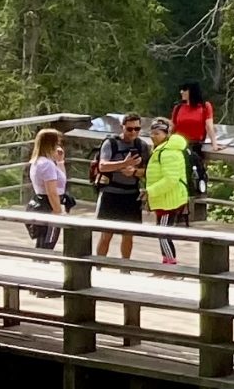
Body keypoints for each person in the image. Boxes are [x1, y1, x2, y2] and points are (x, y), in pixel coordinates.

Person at [91, 114, 149, 261]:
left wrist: (135, 172)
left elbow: (148, 171)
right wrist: (124, 164)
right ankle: (99, 265)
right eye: (130, 129)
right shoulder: (111, 143)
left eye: (137, 129)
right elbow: (102, 166)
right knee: (106, 234)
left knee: (128, 235)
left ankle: (125, 267)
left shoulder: (141, 146)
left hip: (131, 194)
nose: (133, 132)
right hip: (111, 193)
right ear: (122, 127)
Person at [144, 117, 194, 267]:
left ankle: (170, 261)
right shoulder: (162, 150)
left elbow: (171, 179)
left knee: (162, 232)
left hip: (169, 200)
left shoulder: (168, 152)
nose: (153, 136)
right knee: (163, 231)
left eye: (157, 133)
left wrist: (150, 191)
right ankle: (166, 259)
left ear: (166, 134)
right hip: (164, 198)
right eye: (152, 133)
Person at [169, 81, 213, 213]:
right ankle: (177, 208)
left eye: (184, 90)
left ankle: (190, 209)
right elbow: (173, 127)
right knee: (177, 177)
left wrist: (214, 143)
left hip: (195, 145)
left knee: (194, 176)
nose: (181, 93)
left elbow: (209, 125)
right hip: (177, 146)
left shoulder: (205, 107)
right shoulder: (178, 108)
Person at [26, 127, 68, 249]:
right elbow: (52, 192)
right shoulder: (46, 165)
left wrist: (60, 162)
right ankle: (42, 263)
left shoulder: (41, 162)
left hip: (43, 202)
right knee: (48, 241)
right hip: (49, 205)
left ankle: (40, 262)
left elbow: (62, 181)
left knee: (43, 240)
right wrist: (58, 211)